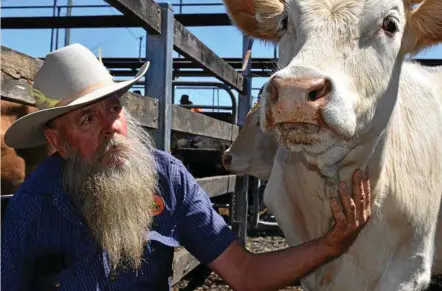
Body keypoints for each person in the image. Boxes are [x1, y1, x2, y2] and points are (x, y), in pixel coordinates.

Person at [1, 43, 371, 291]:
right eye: (86, 119)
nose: (112, 126)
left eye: (114, 108)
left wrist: (330, 244)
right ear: (57, 142)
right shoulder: (32, 206)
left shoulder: (168, 178)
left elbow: (243, 273)